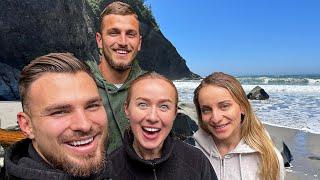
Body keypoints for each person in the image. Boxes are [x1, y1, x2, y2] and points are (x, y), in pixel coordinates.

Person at [1, 53, 110, 179]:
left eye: (92, 106)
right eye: (59, 112)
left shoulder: (110, 168)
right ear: (26, 125)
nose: (84, 125)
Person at [108, 72, 218, 180]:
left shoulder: (196, 161)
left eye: (164, 106)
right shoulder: (108, 170)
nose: (152, 117)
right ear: (127, 109)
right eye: (143, 104)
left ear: (175, 113)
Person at [193, 72, 285, 180]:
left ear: (243, 107)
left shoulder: (269, 158)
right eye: (206, 110)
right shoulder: (192, 152)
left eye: (224, 106)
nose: (216, 118)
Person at [86, 1, 145, 153]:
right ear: (99, 40)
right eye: (114, 33)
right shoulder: (80, 82)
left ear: (139, 42)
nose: (123, 42)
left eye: (130, 34)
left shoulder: (150, 86)